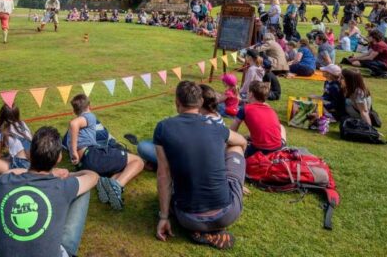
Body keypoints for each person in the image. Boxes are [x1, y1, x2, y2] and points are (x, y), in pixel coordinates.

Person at [154, 81, 248, 250]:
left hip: (187, 218)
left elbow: (163, 174)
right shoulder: (216, 126)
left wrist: (163, 217)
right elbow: (241, 142)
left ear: (177, 102)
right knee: (235, 147)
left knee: (175, 187)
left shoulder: (163, 127)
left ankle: (198, 228)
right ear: (200, 103)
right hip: (227, 214)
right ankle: (237, 188)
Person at [0, 127, 97, 257]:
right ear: (59, 158)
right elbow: (93, 176)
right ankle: (66, 249)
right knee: (83, 190)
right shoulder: (62, 186)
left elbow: (7, 173)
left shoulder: (3, 182)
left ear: (30, 153)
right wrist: (69, 174)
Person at [67, 95, 143, 210]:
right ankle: (118, 186)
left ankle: (109, 183)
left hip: (84, 165)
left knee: (125, 166)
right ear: (89, 106)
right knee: (138, 161)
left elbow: (74, 128)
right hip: (93, 156)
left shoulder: (71, 133)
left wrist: (73, 153)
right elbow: (74, 124)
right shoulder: (89, 116)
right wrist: (73, 152)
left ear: (74, 110)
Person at [230, 82, 286, 158]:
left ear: (251, 94)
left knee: (235, 147)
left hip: (259, 150)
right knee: (281, 126)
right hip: (278, 148)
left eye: (248, 92)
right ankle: (284, 145)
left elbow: (232, 131)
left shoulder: (245, 109)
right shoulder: (270, 109)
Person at [0, 104, 32, 176]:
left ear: (1, 116)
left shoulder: (1, 130)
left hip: (21, 165)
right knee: (7, 156)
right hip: (33, 161)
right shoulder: (23, 124)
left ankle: (17, 173)